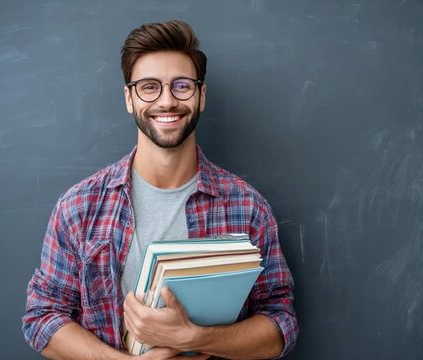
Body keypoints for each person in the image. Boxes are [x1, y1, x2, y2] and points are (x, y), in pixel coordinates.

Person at [22, 19, 298, 360]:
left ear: (201, 96)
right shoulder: (79, 207)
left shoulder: (247, 207)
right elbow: (42, 318)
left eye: (182, 86)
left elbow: (280, 323)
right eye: (149, 87)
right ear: (129, 98)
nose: (167, 101)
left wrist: (194, 337)